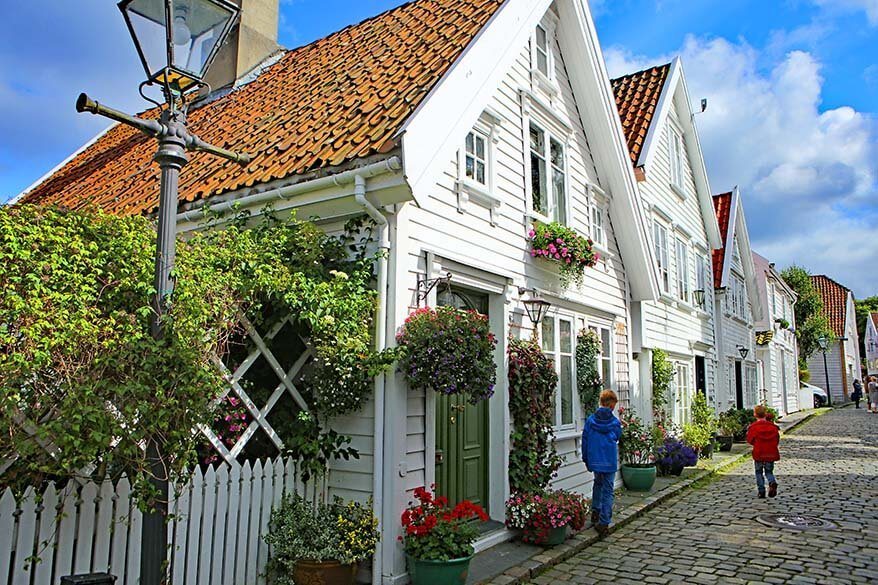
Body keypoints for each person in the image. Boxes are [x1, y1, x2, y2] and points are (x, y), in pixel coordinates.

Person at [581, 389, 622, 536]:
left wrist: (586, 458)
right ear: (611, 406)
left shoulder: (590, 421)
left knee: (598, 484)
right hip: (609, 461)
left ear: (601, 403)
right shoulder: (615, 423)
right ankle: (604, 522)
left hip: (596, 460)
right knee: (608, 490)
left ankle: (595, 512)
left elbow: (584, 441)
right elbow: (617, 437)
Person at [746, 404, 780, 498]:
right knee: (769, 471)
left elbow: (749, 440)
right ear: (765, 414)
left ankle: (761, 491)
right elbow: (777, 439)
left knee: (759, 472)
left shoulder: (753, 427)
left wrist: (756, 444)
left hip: (759, 452)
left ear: (755, 415)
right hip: (770, 452)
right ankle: (772, 482)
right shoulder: (773, 427)